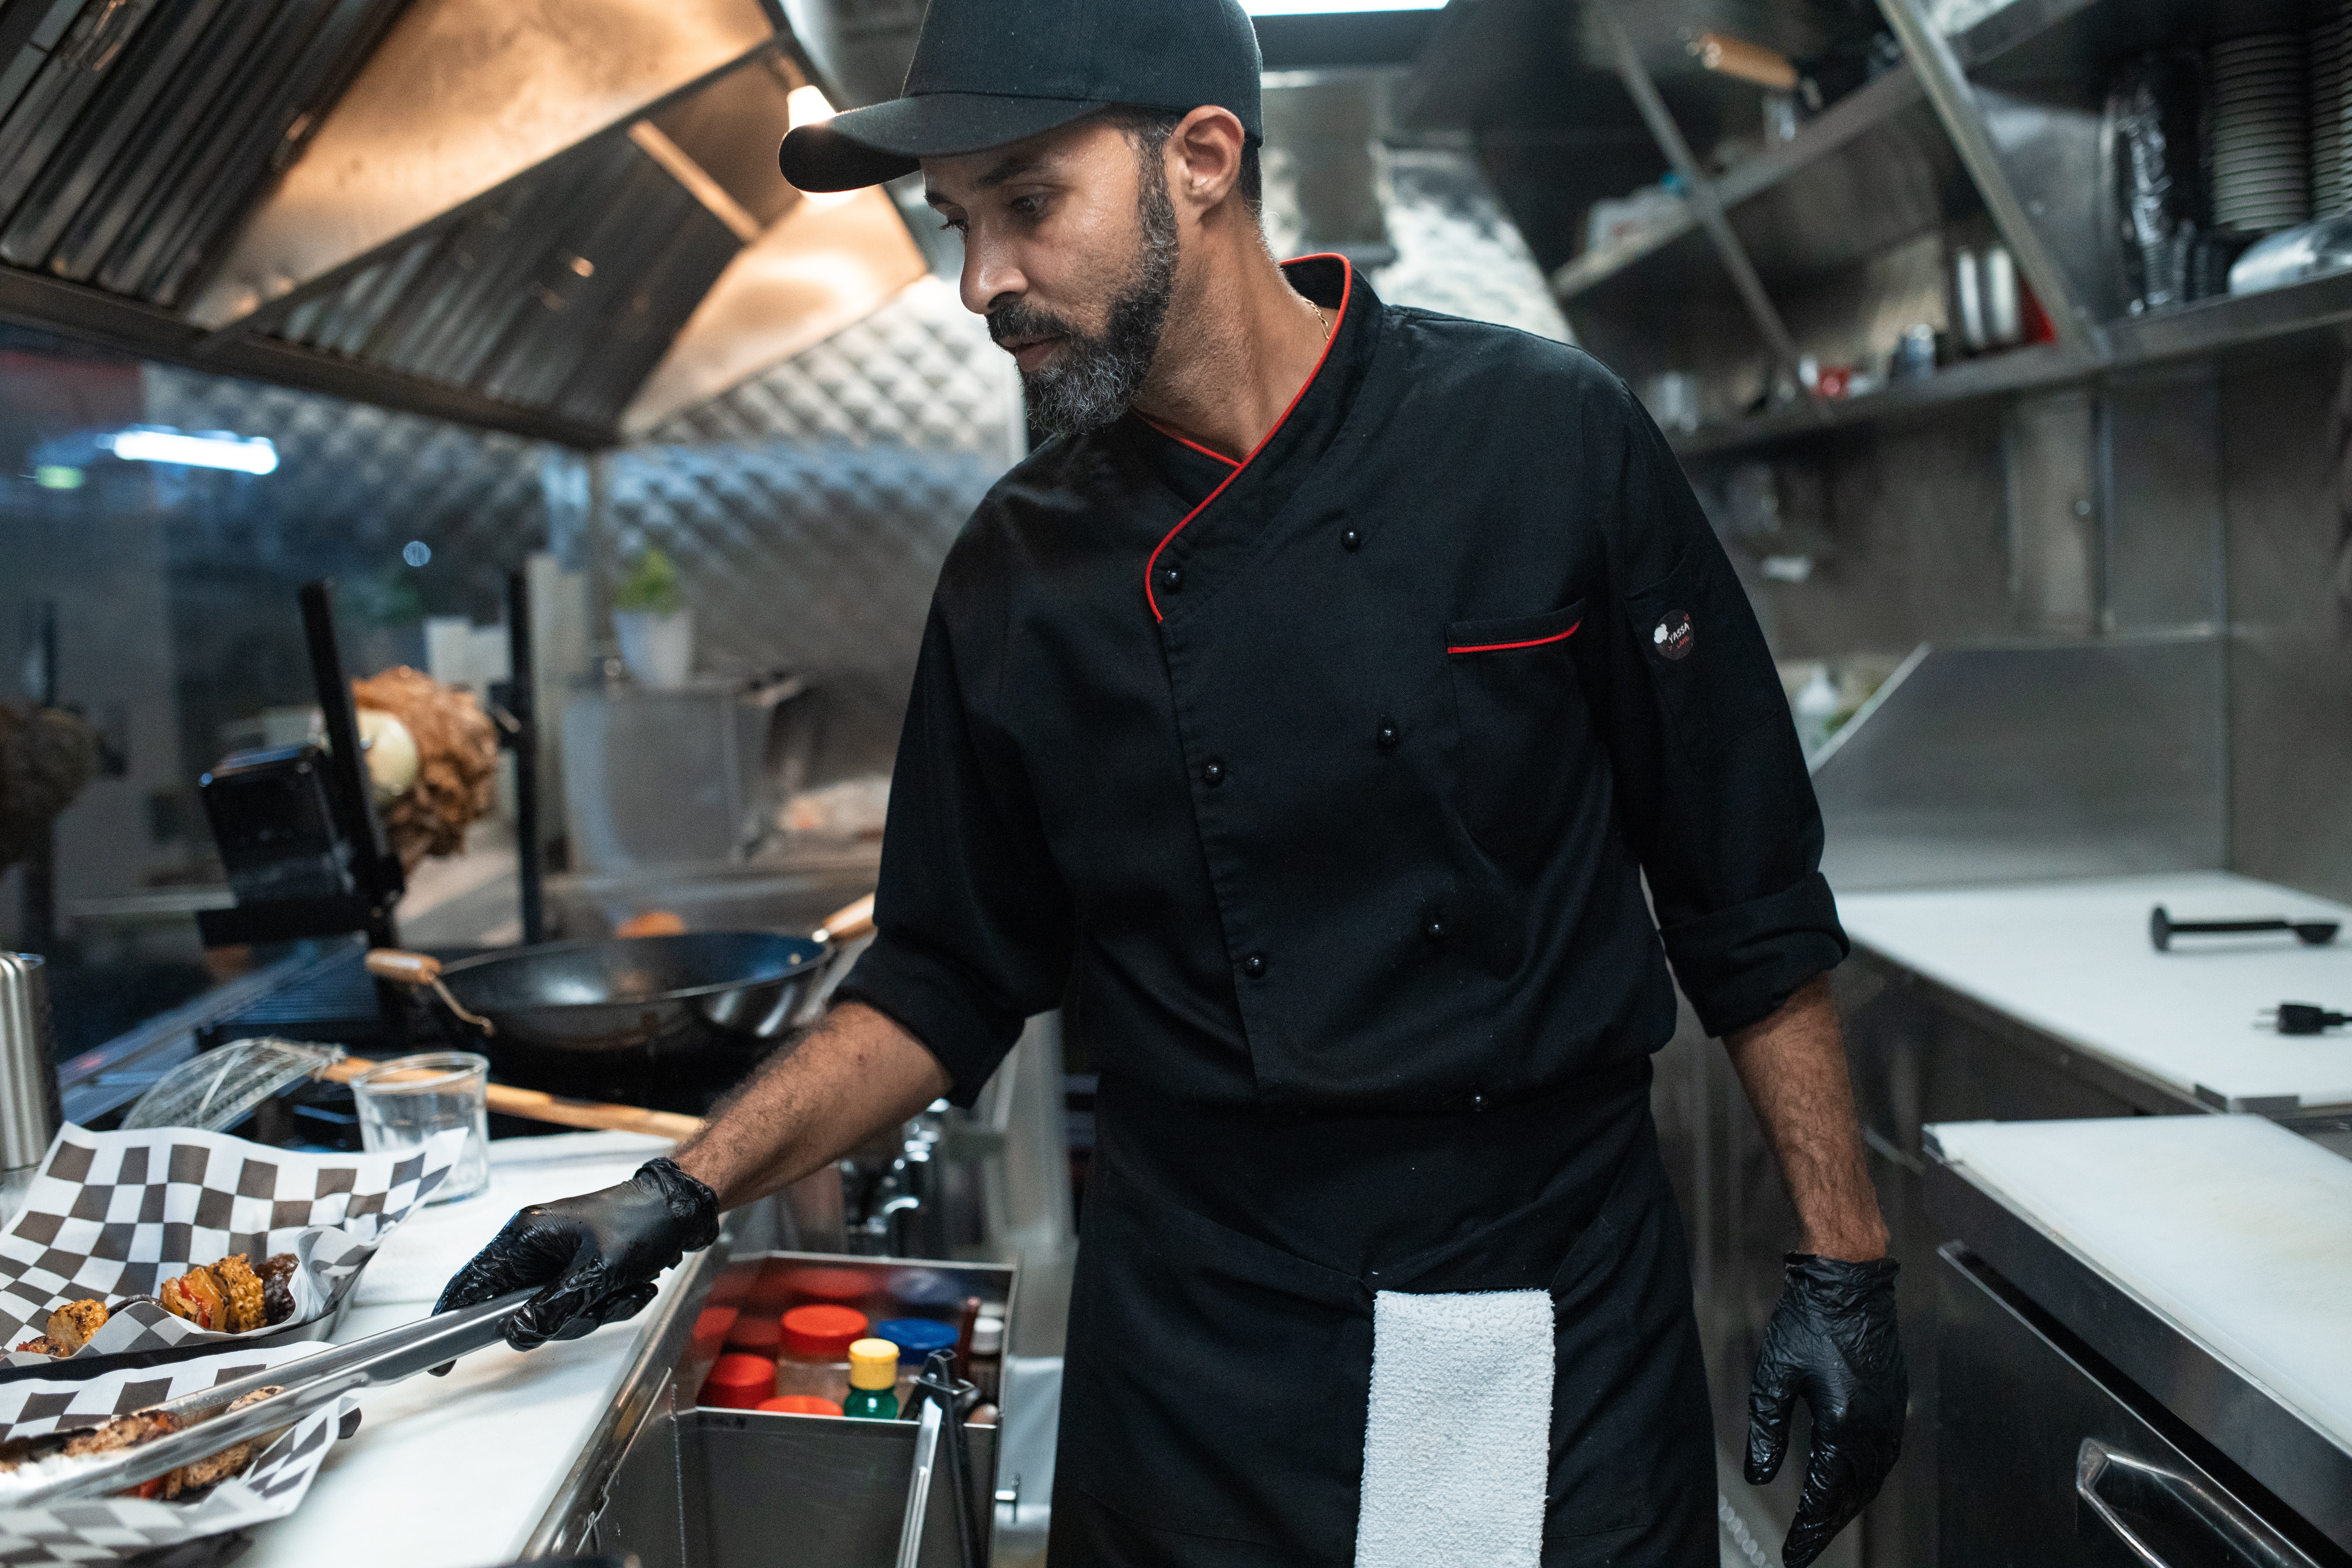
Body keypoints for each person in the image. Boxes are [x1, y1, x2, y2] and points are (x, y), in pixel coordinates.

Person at [434, 1, 1907, 1562]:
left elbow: (1741, 891)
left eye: (1025, 202)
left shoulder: (1546, 442)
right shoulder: (1019, 568)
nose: (981, 280)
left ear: (1201, 159)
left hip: (1532, 1300)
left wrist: (1844, 1263)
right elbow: (940, 974)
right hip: (1203, 1348)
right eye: (958, 223)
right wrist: (676, 1191)